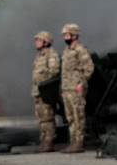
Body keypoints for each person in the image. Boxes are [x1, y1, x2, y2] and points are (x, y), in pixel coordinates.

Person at [59, 23, 94, 153]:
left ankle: (79, 143)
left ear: (74, 35)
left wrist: (81, 84)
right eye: (64, 35)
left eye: (67, 34)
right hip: (67, 89)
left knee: (78, 116)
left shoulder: (80, 50)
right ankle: (73, 141)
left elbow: (89, 68)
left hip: (76, 89)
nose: (65, 37)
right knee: (70, 117)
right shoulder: (67, 51)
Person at [31, 30, 61, 152]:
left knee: (47, 117)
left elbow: (54, 71)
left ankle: (49, 141)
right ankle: (43, 140)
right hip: (38, 91)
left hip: (46, 91)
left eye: (38, 40)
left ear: (45, 42)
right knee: (41, 118)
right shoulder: (39, 56)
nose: (36, 42)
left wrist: (44, 82)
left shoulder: (51, 55)